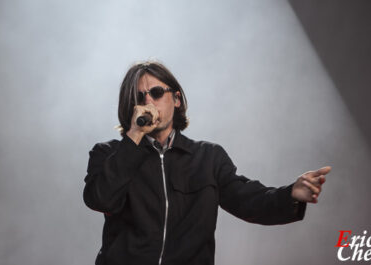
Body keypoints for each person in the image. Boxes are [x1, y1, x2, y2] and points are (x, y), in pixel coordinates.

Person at [83, 60, 331, 265]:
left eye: (156, 93)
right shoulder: (108, 154)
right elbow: (100, 199)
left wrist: (292, 195)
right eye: (139, 97)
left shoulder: (207, 157)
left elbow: (249, 201)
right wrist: (135, 135)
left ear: (176, 99)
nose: (148, 102)